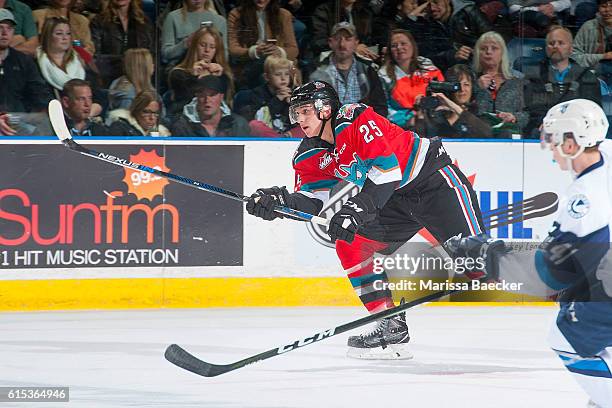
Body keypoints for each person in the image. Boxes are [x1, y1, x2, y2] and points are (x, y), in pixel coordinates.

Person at [246, 80, 485, 359]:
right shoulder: (308, 154)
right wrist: (279, 203)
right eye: (296, 113)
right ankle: (389, 323)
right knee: (353, 243)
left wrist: (355, 209)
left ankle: (547, 265)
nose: (299, 119)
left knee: (477, 263)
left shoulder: (354, 118)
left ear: (325, 109)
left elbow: (387, 172)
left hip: (434, 183)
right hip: (394, 200)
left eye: (305, 111)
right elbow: (314, 201)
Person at [445, 98, 612, 407]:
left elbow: (552, 273)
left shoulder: (584, 199)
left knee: (566, 338)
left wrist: (489, 259)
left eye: (554, 139)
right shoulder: (606, 156)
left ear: (573, 142)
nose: (549, 147)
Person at [523, 25, 602, 137]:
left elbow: (592, 109)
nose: (555, 46)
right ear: (546, 49)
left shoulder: (586, 76)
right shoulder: (534, 75)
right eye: (551, 43)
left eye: (561, 43)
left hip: (577, 130)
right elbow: (533, 108)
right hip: (544, 129)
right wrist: (546, 123)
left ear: (571, 48)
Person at [309, 22, 387, 117]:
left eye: (348, 39)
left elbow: (380, 107)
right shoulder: (317, 72)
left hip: (364, 126)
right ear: (330, 42)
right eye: (337, 39)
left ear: (356, 43)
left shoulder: (368, 70)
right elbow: (312, 109)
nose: (342, 44)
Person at [378, 29, 444, 129]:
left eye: (403, 43)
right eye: (394, 46)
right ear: (390, 51)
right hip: (401, 127)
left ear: (413, 45)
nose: (399, 48)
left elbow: (442, 90)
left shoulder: (426, 65)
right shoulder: (383, 75)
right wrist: (409, 118)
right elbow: (383, 109)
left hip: (434, 120)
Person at [0, 8, 52, 135]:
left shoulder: (23, 61)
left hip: (16, 117)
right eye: (0, 27)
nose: (4, 32)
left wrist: (46, 107)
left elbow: (38, 90)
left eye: (9, 28)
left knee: (44, 124)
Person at [227, 0, 299, 89]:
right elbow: (233, 49)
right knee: (264, 72)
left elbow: (293, 50)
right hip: (250, 65)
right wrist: (254, 51)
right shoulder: (236, 14)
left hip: (279, 65)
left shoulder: (283, 15)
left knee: (276, 70)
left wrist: (279, 51)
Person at [168, 25, 234, 116]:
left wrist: (221, 77)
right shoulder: (178, 74)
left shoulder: (222, 74)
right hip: (185, 120)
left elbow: (224, 103)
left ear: (217, 50)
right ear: (194, 46)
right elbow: (186, 101)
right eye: (203, 45)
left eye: (212, 47)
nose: (207, 50)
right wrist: (193, 77)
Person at [414, 64, 493, 138]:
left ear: (472, 88)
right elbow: (429, 139)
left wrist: (454, 106)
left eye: (466, 85)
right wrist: (420, 116)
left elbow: (487, 133)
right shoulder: (436, 113)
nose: (462, 90)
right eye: (457, 85)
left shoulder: (477, 111)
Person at [472, 31, 527, 137]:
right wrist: (477, 87)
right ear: (478, 54)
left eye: (494, 48)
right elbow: (464, 109)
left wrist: (514, 117)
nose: (488, 52)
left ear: (502, 53)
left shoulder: (517, 81)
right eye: (484, 48)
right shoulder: (470, 78)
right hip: (479, 134)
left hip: (509, 133)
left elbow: (527, 114)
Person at [233, 55, 304, 137]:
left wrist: (292, 105)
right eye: (278, 74)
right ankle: (279, 141)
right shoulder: (257, 94)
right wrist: (277, 100)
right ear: (267, 77)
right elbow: (259, 118)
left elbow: (300, 121)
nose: (283, 78)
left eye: (286, 74)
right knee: (254, 125)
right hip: (267, 135)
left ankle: (283, 139)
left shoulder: (294, 94)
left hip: (288, 135)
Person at [90, 0, 154, 86]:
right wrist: (127, 61)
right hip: (111, 78)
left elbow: (151, 52)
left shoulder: (143, 21)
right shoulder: (98, 21)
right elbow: (96, 56)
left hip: (140, 78)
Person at [170, 75, 250, 137]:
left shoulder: (238, 124)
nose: (207, 100)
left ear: (221, 97)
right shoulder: (182, 126)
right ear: (196, 97)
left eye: (212, 95)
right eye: (202, 95)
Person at [161, 0, 227, 66]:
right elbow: (165, 54)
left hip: (210, 70)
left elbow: (224, 56)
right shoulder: (173, 17)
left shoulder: (220, 21)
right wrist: (186, 43)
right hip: (181, 68)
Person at [572, 0, 612, 77]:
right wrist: (603, 56)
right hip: (593, 75)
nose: (607, 10)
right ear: (598, 8)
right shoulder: (588, 27)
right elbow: (574, 56)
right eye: (603, 6)